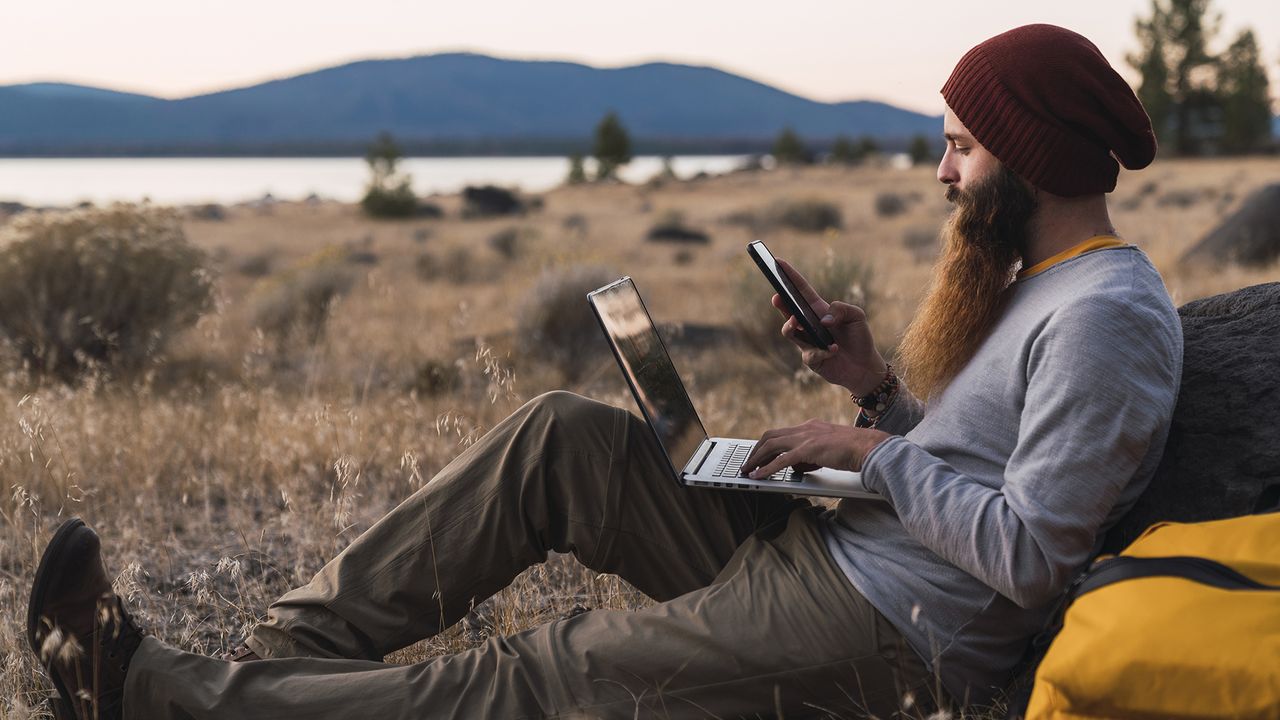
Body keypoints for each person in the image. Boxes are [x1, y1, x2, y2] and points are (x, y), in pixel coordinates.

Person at [26, 23, 1183, 720]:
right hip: (841, 553)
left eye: (959, 146)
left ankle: (145, 692)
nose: (940, 172)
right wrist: (873, 392)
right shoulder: (1041, 286)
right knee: (559, 439)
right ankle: (271, 670)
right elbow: (976, 468)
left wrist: (875, 455)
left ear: (1026, 156)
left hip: (887, 626)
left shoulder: (1104, 318)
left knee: (542, 674)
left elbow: (1034, 558)